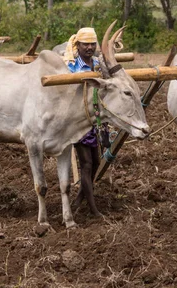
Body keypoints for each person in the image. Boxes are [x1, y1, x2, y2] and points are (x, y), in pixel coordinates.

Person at [63, 27, 103, 217]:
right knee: (86, 164)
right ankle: (93, 208)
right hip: (78, 119)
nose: (89, 47)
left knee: (96, 162)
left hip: (95, 118)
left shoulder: (98, 64)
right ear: (77, 45)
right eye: (85, 44)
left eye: (92, 44)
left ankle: (81, 195)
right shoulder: (71, 66)